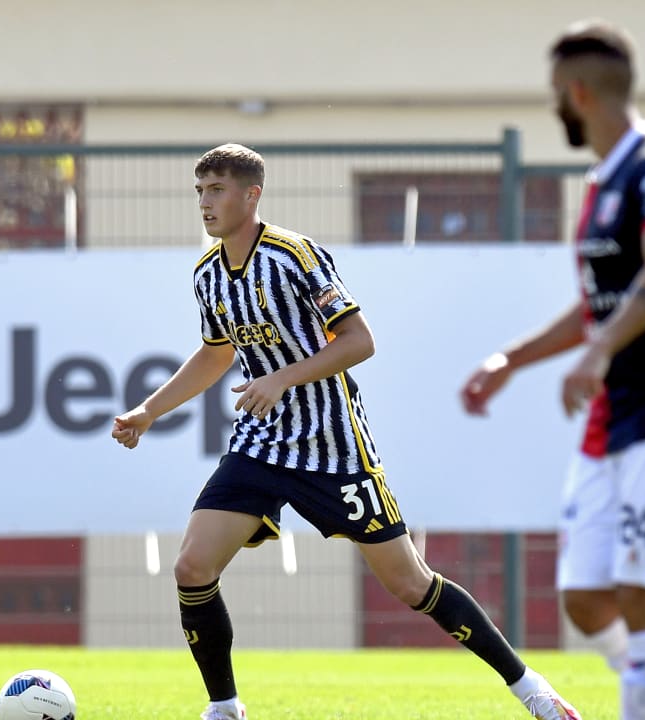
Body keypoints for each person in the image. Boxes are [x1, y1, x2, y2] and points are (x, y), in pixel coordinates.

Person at [112, 143, 582, 720]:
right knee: (191, 567)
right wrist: (149, 411)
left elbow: (360, 341)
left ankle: (530, 688)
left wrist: (283, 378)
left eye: (216, 191)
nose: (205, 204)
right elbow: (215, 354)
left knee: (411, 584)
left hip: (334, 447)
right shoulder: (208, 272)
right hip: (260, 445)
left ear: (251, 195)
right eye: (199, 191)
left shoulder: (295, 255)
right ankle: (225, 708)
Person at [460, 20, 645, 720]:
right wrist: (512, 361)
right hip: (614, 418)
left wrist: (599, 351)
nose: (555, 106)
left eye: (556, 94)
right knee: (586, 597)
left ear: (577, 91)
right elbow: (600, 305)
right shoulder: (604, 179)